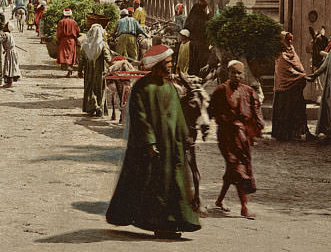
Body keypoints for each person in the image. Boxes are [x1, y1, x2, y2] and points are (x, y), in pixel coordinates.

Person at [106, 45, 201, 238]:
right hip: (154, 148)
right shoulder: (142, 88)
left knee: (175, 185)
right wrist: (149, 142)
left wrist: (185, 137)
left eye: (171, 62)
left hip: (173, 146)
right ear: (157, 65)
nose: (171, 66)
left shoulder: (170, 88)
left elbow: (178, 117)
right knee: (157, 186)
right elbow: (140, 117)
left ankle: (174, 223)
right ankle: (161, 225)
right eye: (167, 63)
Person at [209, 60, 263, 219]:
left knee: (232, 170)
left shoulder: (248, 91)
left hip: (241, 136)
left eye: (239, 73)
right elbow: (212, 110)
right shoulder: (220, 91)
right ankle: (244, 207)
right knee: (237, 168)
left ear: (244, 74)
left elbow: (255, 110)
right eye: (233, 72)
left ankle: (219, 201)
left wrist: (258, 126)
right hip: (226, 136)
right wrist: (223, 119)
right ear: (228, 73)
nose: (236, 76)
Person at [271, 31, 314, 142]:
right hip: (284, 90)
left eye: (291, 39)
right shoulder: (280, 55)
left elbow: (298, 66)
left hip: (295, 89)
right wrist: (302, 77)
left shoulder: (292, 52)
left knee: (299, 109)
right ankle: (284, 134)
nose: (289, 41)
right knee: (285, 111)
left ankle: (302, 132)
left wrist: (301, 76)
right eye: (287, 39)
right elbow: (285, 72)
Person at [80, 22, 113, 116]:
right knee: (100, 89)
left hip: (88, 72)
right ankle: (100, 108)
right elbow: (108, 59)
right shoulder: (103, 45)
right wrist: (113, 64)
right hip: (100, 71)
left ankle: (90, 108)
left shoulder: (85, 45)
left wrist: (79, 71)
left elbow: (81, 60)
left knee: (89, 88)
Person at [185, 0, 212, 77]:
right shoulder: (201, 15)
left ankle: (192, 74)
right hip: (201, 43)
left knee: (193, 60)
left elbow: (188, 25)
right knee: (200, 60)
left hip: (193, 41)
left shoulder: (194, 12)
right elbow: (203, 26)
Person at [56, 8, 80, 77]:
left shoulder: (61, 22)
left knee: (63, 53)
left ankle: (65, 65)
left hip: (63, 40)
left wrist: (58, 39)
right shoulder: (74, 22)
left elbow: (59, 33)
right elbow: (78, 31)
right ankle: (70, 67)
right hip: (72, 40)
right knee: (71, 54)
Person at [0, 23, 21, 87]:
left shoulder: (5, 34)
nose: (3, 27)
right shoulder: (10, 34)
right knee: (12, 66)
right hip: (13, 52)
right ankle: (9, 82)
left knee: (9, 66)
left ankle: (9, 83)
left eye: (5, 26)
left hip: (10, 53)